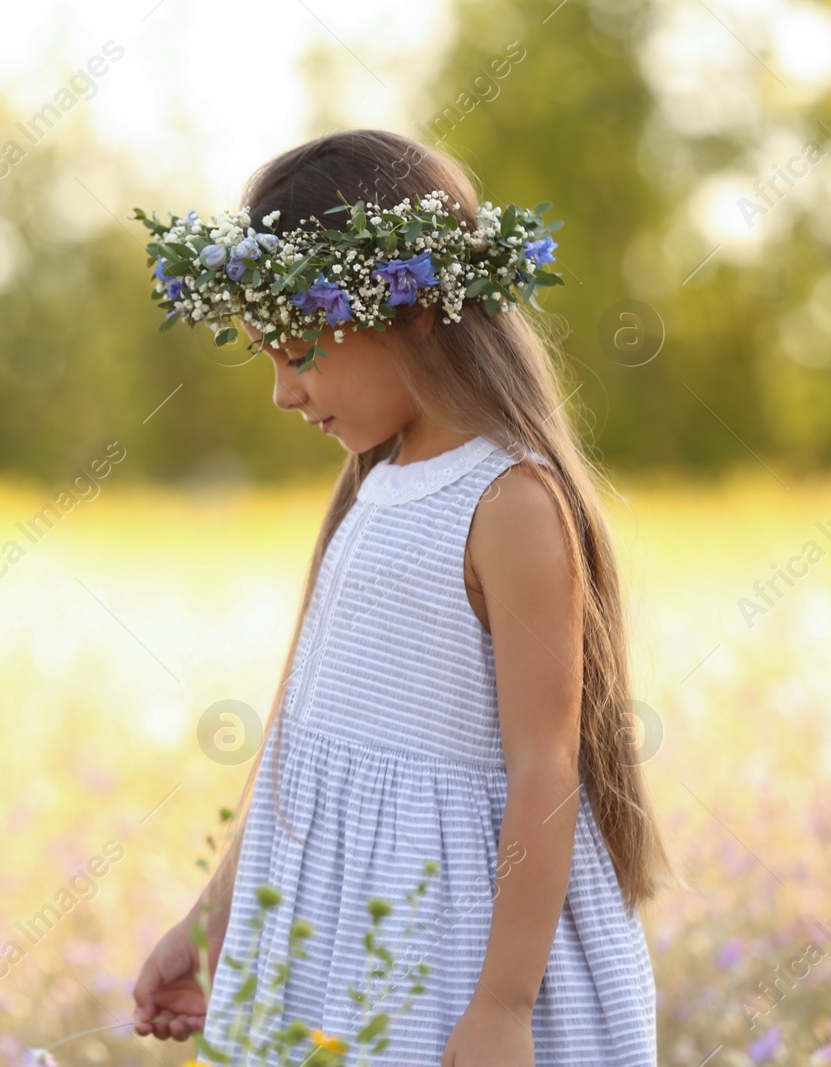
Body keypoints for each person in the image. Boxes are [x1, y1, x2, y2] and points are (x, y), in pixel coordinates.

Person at [129, 129, 668, 1066]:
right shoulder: (370, 488)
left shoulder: (508, 503)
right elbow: (308, 750)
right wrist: (208, 923)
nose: (282, 394)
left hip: (458, 956)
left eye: (298, 351)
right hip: (335, 948)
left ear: (414, 311)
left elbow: (544, 771)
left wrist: (502, 1005)